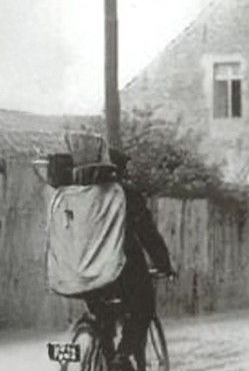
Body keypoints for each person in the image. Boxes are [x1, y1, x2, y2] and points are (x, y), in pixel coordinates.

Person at [64, 132, 177, 371]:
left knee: (102, 317)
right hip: (120, 272)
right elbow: (148, 233)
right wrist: (164, 263)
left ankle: (103, 353)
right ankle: (122, 356)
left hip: (82, 271)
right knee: (143, 306)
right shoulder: (125, 193)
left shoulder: (76, 194)